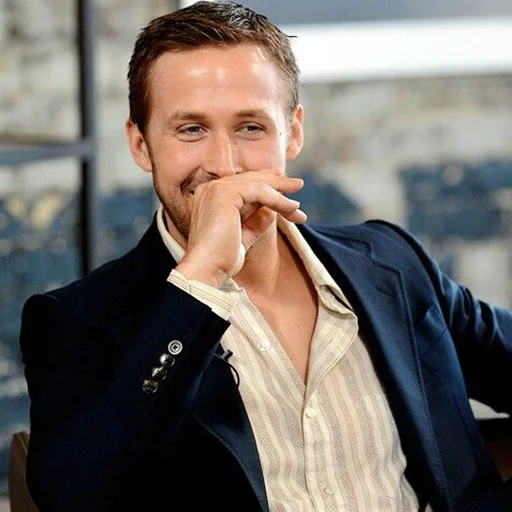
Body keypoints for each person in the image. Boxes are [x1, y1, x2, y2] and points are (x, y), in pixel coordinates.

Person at [19, 2, 512, 511]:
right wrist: (201, 279)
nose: (224, 166)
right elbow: (76, 497)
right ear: (140, 144)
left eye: (250, 127)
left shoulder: (393, 263)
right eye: (191, 129)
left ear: (293, 132)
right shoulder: (76, 322)